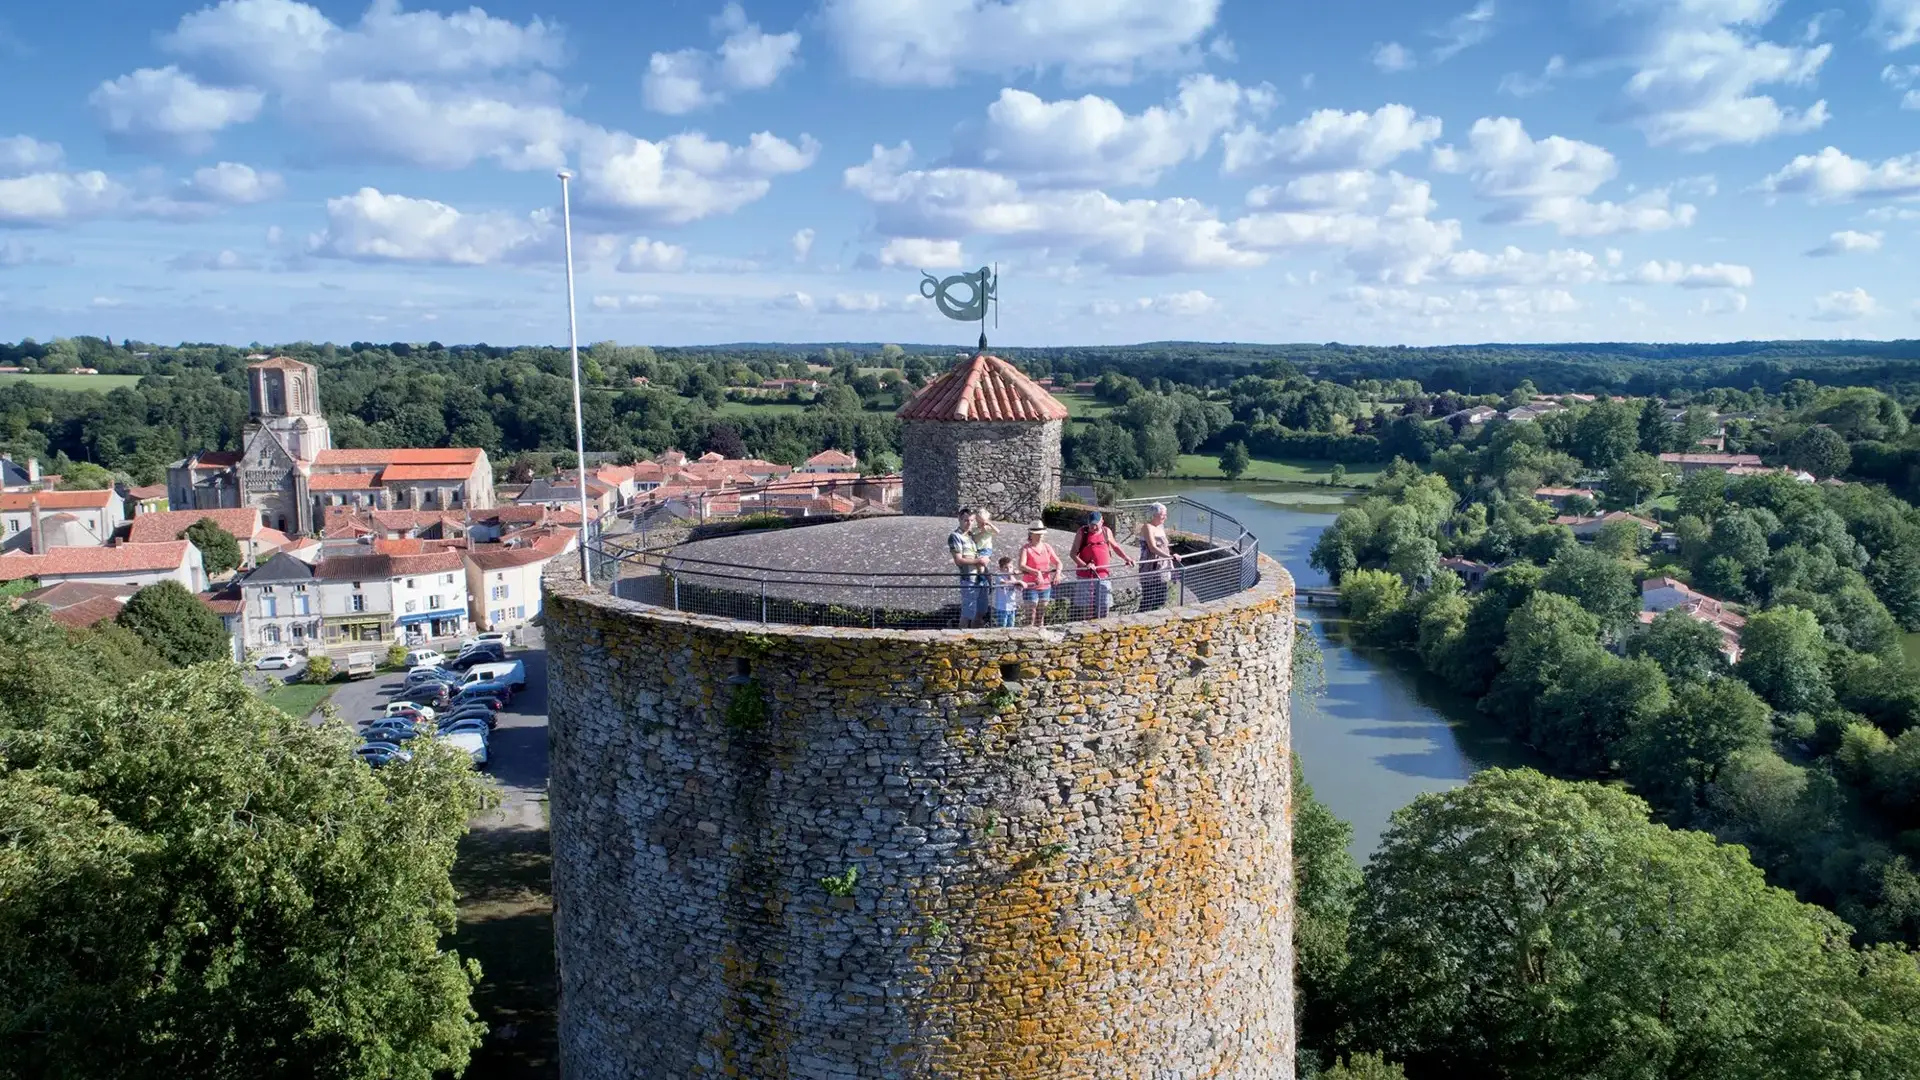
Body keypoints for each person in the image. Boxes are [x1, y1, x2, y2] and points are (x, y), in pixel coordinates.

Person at [1070, 509, 1135, 619]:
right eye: (1091, 525)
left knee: (1105, 605)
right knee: (1087, 607)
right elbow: (1073, 554)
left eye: (1095, 525)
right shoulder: (1082, 532)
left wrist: (1126, 558)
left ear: (1102, 522)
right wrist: (1085, 566)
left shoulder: (1106, 531)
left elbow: (1115, 547)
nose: (1093, 527)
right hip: (1085, 576)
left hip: (1103, 575)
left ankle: (1103, 627)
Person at [1136, 502, 1176, 612]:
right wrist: (1170, 556)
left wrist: (1171, 556)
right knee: (1148, 598)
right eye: (1163, 514)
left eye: (1165, 514)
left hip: (1162, 567)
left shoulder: (1160, 527)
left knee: (1161, 597)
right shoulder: (1147, 527)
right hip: (1150, 567)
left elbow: (1164, 547)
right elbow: (1152, 548)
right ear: (1154, 515)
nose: (1165, 517)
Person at [949, 508, 986, 627]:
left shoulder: (971, 535)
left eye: (971, 520)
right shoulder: (955, 536)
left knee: (979, 612)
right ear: (959, 519)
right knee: (967, 612)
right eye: (966, 520)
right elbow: (959, 560)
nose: (969, 523)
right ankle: (961, 639)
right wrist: (978, 560)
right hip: (968, 579)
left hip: (980, 578)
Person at [1019, 523, 1061, 626]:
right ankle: (1028, 636)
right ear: (1031, 534)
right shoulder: (1026, 548)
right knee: (1030, 615)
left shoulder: (1047, 547)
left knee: (1041, 616)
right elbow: (1021, 565)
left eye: (1041, 534)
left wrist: (1058, 573)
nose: (1040, 536)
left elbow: (1058, 562)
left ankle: (1039, 636)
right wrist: (1036, 572)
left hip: (1045, 585)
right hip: (1031, 585)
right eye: (1038, 534)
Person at [970, 509, 1000, 624]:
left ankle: (985, 582)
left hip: (986, 550)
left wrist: (989, 524)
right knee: (981, 568)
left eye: (984, 521)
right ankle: (987, 580)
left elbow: (997, 531)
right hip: (978, 550)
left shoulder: (988, 528)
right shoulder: (975, 529)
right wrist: (981, 531)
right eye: (980, 521)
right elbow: (974, 537)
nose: (982, 523)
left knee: (982, 567)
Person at [990, 555, 1021, 628]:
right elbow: (1003, 583)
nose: (1008, 570)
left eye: (1010, 567)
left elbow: (1019, 588)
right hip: (1002, 607)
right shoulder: (999, 576)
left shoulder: (1013, 577)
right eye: (1006, 568)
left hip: (1012, 606)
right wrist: (1016, 581)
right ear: (1001, 568)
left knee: (1011, 625)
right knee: (1002, 626)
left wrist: (1014, 577)